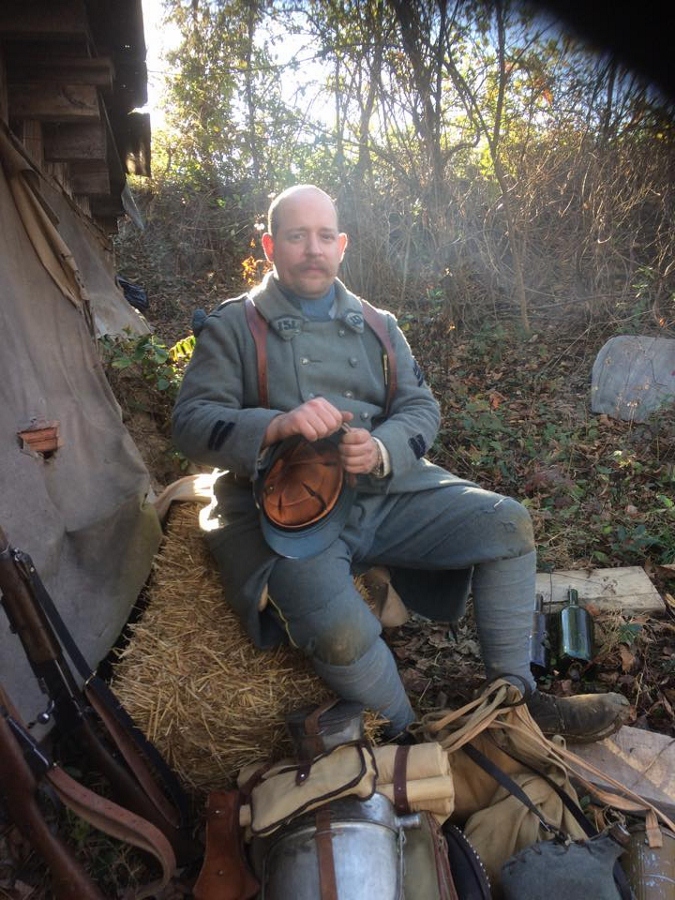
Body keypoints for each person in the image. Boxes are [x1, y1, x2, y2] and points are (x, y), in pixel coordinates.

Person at [172, 184, 629, 743]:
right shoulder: (234, 327)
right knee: (338, 631)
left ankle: (518, 704)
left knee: (508, 523)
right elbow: (191, 422)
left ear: (342, 246)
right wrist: (275, 425)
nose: (312, 249)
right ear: (270, 246)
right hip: (286, 513)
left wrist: (383, 448)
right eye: (296, 237)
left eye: (323, 237)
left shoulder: (378, 325)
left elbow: (419, 407)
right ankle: (407, 738)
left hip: (384, 491)